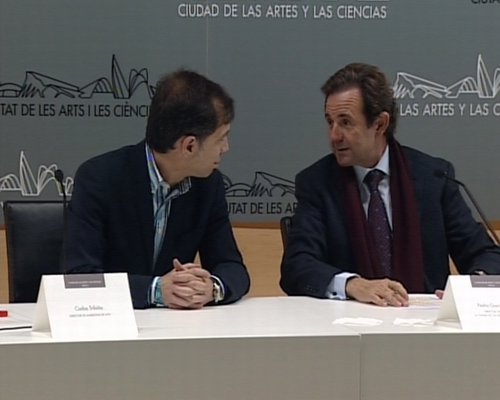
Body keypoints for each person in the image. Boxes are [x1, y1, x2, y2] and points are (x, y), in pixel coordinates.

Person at [280, 63, 500, 307]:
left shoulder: (433, 177)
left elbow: (485, 254)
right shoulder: (317, 182)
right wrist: (353, 284)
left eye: (346, 122)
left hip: (425, 321)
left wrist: (470, 289)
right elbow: (297, 266)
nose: (334, 135)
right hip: (350, 321)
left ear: (380, 124)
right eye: (330, 122)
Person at [65, 69, 250, 309]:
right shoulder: (100, 178)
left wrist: (211, 287)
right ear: (189, 146)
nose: (226, 148)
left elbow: (232, 267)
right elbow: (80, 277)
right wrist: (155, 290)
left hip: (172, 325)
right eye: (221, 138)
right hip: (108, 323)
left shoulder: (208, 185)